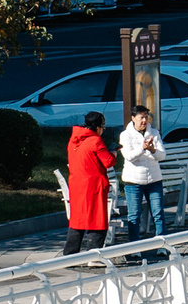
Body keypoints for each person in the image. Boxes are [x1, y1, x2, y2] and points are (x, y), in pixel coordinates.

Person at [63, 110, 115, 256]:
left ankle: (70, 254)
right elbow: (108, 161)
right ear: (98, 128)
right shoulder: (95, 141)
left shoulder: (74, 140)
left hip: (77, 185)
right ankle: (94, 254)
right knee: (97, 220)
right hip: (93, 186)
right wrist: (114, 153)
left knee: (77, 220)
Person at [118, 105, 166, 240]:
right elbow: (129, 156)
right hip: (133, 181)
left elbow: (162, 156)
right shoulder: (125, 135)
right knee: (134, 214)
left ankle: (162, 243)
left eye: (146, 117)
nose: (144, 121)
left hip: (154, 179)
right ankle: (135, 246)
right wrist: (143, 148)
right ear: (133, 118)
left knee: (158, 213)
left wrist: (152, 150)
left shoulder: (154, 133)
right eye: (141, 118)